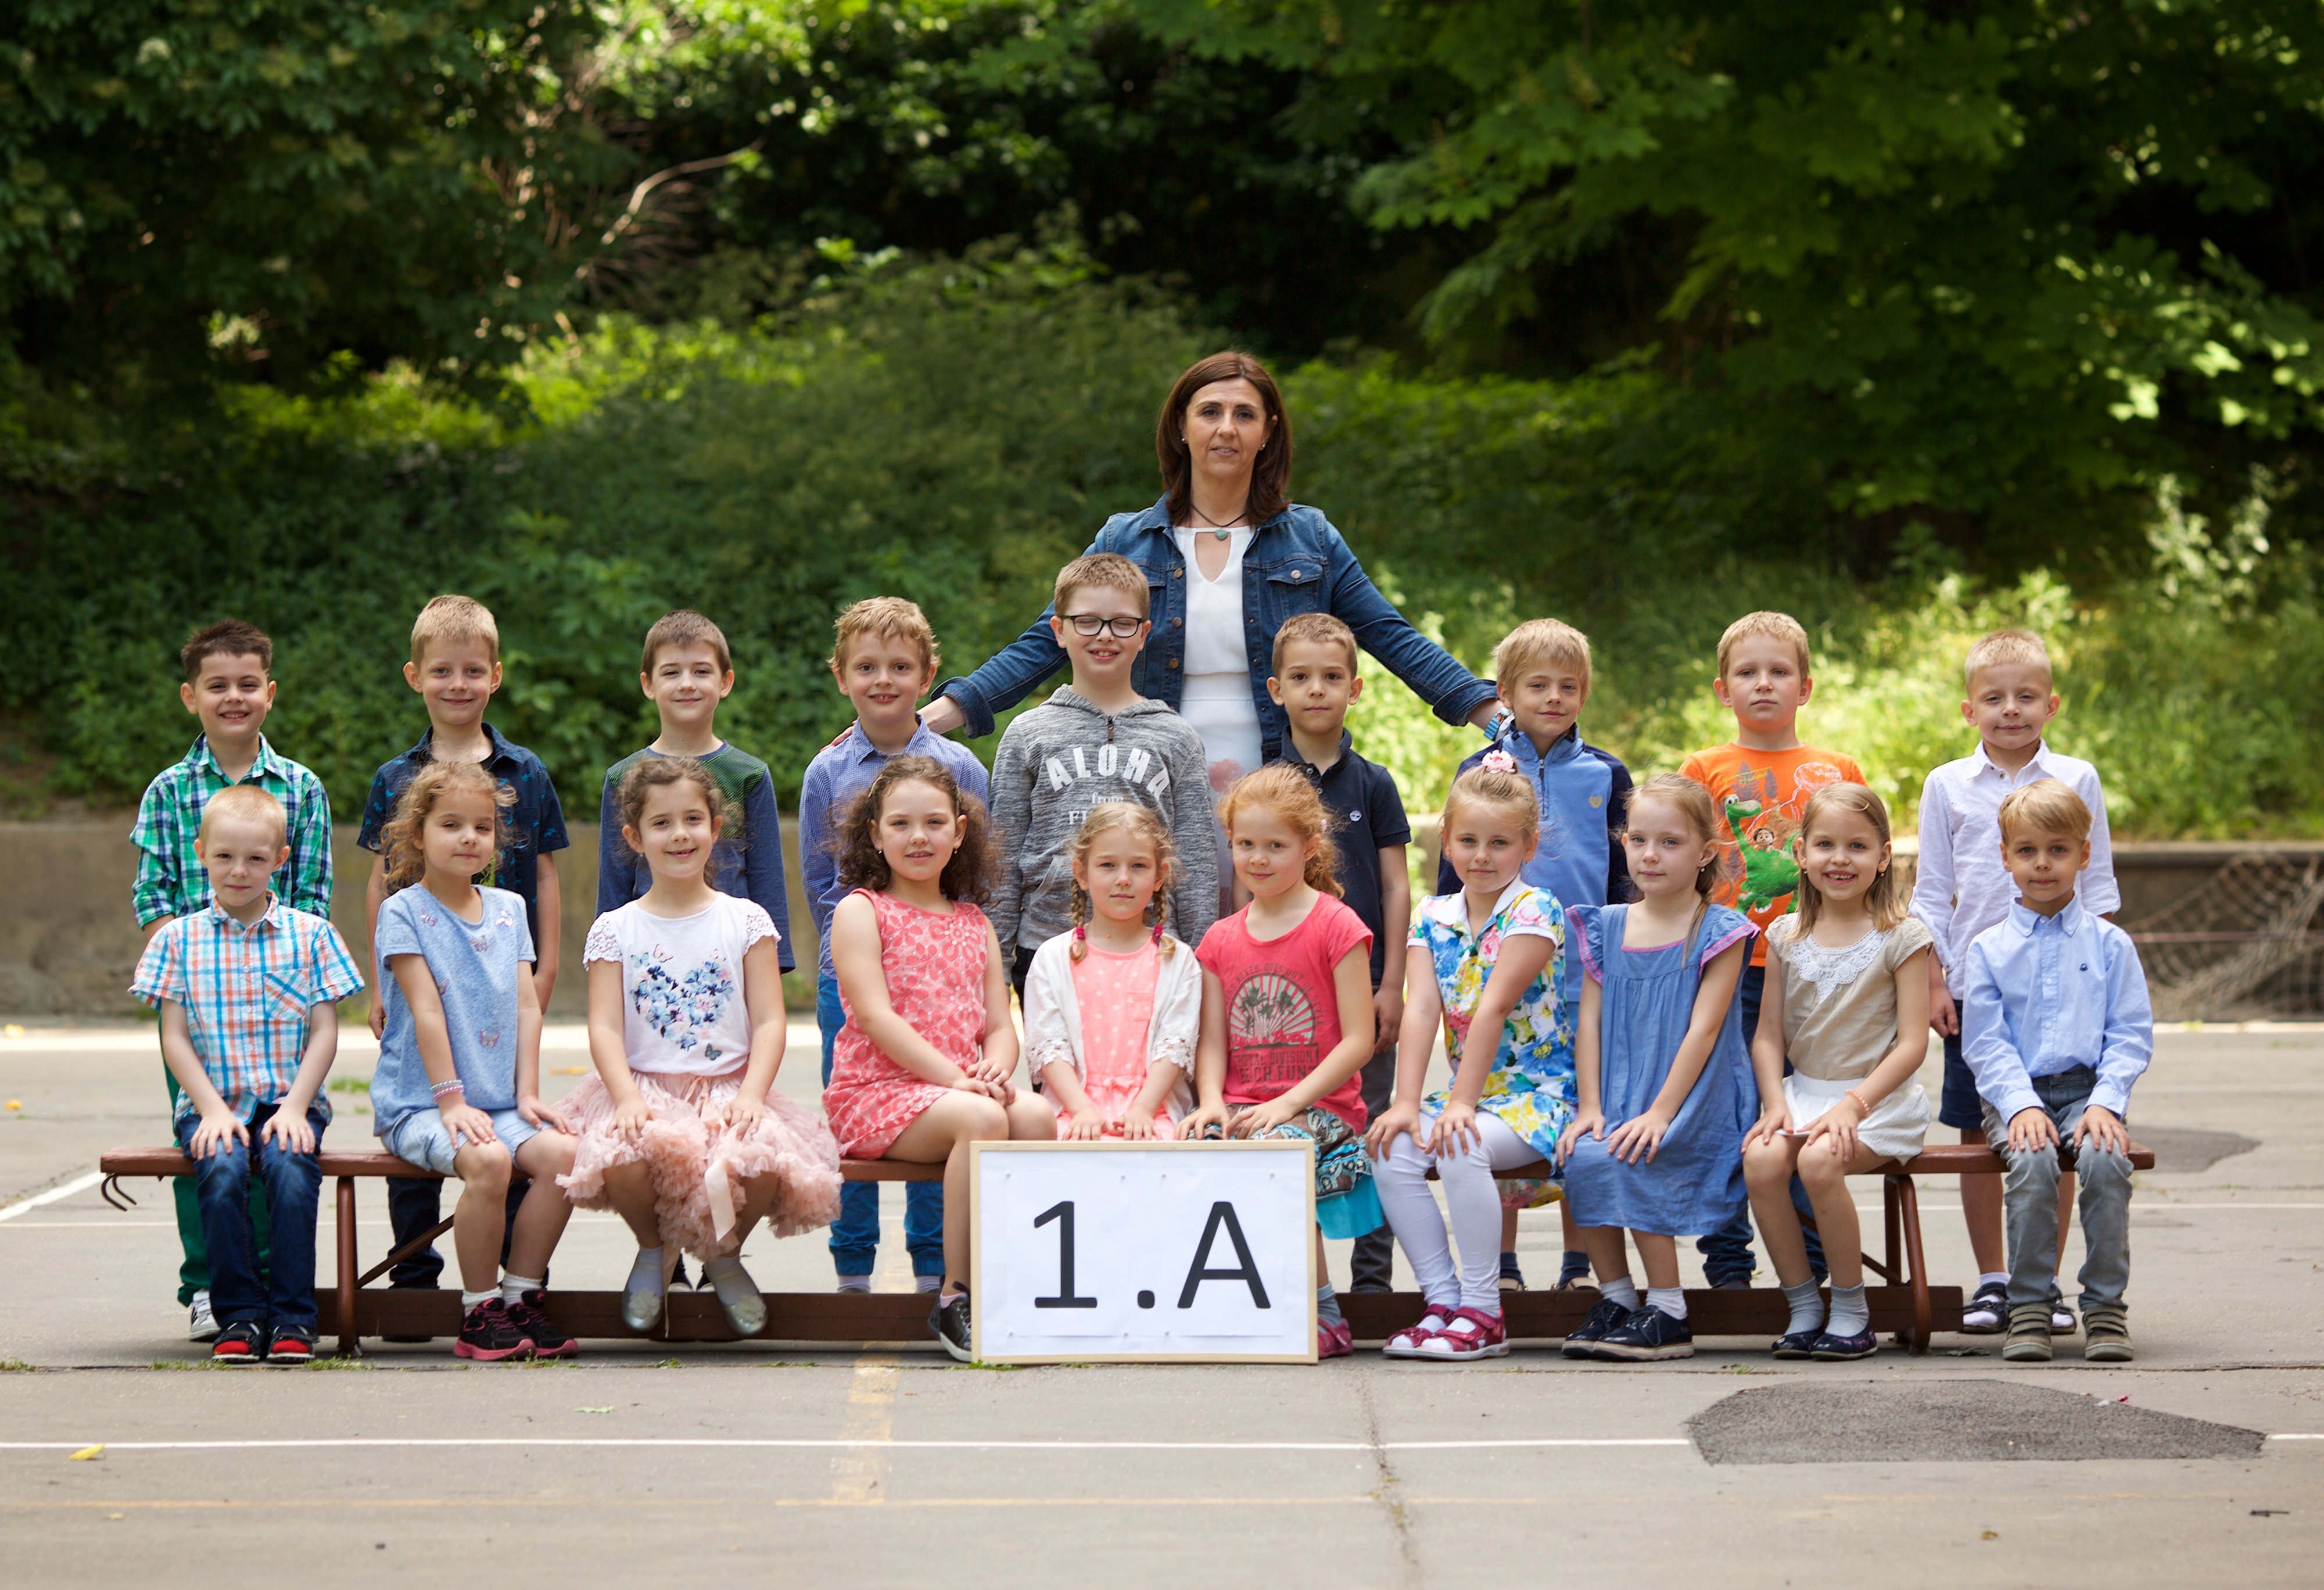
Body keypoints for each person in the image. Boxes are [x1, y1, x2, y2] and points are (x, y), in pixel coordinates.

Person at [918, 352, 1500, 882]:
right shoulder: (1127, 539)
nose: (1226, 428)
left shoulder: (1311, 539)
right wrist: (937, 716)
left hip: (1277, 772)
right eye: (1210, 412)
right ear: (1182, 425)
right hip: (1153, 772)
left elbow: (1389, 636)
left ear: (1268, 433)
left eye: (1245, 415)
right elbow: (1046, 641)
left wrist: (1493, 716)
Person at [561, 758, 842, 1337]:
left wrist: (753, 1093)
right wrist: (624, 1097)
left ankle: (723, 1257)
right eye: (661, 823)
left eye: (693, 819)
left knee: (760, 1159)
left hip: (728, 1088)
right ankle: (653, 1250)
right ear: (634, 837)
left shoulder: (746, 920)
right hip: (644, 1085)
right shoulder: (616, 928)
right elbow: (605, 1028)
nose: (679, 834)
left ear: (715, 829)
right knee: (625, 1153)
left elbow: (769, 1020)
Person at [358, 595, 569, 1301]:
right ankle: (415, 1277)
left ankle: (517, 1274)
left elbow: (544, 874)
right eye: (442, 670)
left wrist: (545, 970)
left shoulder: (525, 771)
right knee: (437, 1123)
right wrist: (380, 984)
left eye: (473, 670)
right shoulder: (394, 777)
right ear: (415, 676)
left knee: (507, 1120)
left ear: (496, 677)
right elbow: (380, 882)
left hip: (501, 965)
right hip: (422, 967)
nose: (458, 684)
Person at [131, 619, 335, 1344]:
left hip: (281, 992)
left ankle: (275, 1287)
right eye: (217, 685)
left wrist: (279, 968)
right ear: (191, 696)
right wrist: (188, 970)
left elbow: (313, 895)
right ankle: (206, 1287)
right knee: (206, 1142)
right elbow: (152, 895)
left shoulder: (301, 788)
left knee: (279, 1144)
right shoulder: (169, 790)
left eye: (248, 684)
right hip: (199, 997)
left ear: (269, 693)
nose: (234, 697)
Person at [1912, 628, 2119, 1336]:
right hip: (1975, 992)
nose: (2010, 710)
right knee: (1979, 1134)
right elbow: (1930, 894)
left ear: (2051, 705)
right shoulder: (1946, 785)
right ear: (1968, 709)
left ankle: (2044, 1284)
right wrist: (1935, 980)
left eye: (2026, 696)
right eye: (1994, 698)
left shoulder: (2076, 779)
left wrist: (2096, 988)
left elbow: (2098, 890)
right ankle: (1994, 1281)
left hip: (2060, 995)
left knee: (2055, 1138)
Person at [822, 757, 1057, 1361]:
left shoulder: (975, 924)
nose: (919, 837)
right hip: (876, 1094)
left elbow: (1000, 1024)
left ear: (959, 832)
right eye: (900, 824)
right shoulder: (861, 911)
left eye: (934, 823)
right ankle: (957, 1296)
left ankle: (1015, 1280)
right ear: (875, 834)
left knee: (1035, 1116)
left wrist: (994, 1068)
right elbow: (876, 1017)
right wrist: (958, 1081)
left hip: (955, 1093)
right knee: (982, 1119)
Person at [131, 786, 363, 1363]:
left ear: (280, 860)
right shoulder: (177, 940)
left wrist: (297, 1107)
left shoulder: (311, 935)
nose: (239, 871)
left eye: (256, 858)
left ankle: (293, 1319)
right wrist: (210, 1110)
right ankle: (236, 1315)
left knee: (290, 1170)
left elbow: (325, 1032)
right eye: (225, 856)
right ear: (201, 854)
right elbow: (174, 1037)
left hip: (290, 1100)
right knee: (222, 1168)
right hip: (213, 1104)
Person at [799, 597, 989, 1295]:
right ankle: (852, 1273)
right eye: (867, 667)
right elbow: (821, 882)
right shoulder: (827, 770)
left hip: (943, 976)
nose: (884, 680)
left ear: (928, 675)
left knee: (944, 1110)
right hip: (858, 979)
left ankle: (934, 1269)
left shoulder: (961, 767)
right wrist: (867, 955)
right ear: (841, 676)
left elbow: (973, 876)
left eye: (901, 667)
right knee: (853, 1125)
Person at [1437, 617, 1631, 1293]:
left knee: (1579, 1115)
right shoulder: (1479, 771)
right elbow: (1453, 877)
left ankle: (1579, 1264)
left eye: (1568, 687)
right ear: (1505, 693)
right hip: (1494, 978)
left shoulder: (1607, 773)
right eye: (1538, 685)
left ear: (1585, 693)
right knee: (1493, 1108)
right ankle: (1505, 1265)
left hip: (1581, 980)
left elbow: (1623, 879)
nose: (1553, 698)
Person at [370, 761, 581, 1362]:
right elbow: (427, 1011)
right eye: (451, 825)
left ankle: (520, 1297)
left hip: (497, 1103)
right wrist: (452, 1101)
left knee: (566, 1155)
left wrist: (528, 1094)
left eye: (483, 827)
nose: (469, 838)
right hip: (422, 1104)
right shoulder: (403, 911)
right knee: (487, 1162)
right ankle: (479, 1310)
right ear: (418, 835)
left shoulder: (510, 908)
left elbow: (527, 1006)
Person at [1679, 611, 1862, 1288]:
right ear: (1722, 690)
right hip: (1727, 972)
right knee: (1727, 1114)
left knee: (1804, 1112)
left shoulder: (1837, 770)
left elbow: (1865, 866)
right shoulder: (1703, 768)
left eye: (1779, 672)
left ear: (1804, 687)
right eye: (1747, 673)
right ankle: (1727, 1264)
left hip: (1817, 974)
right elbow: (1680, 866)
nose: (1763, 683)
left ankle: (1811, 1263)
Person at [1368, 765, 1572, 1360]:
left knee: (1460, 1143)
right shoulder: (1432, 915)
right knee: (1391, 1148)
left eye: (1499, 842)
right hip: (1474, 1097)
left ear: (1528, 846)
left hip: (1538, 1093)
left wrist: (1459, 1103)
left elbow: (1494, 1008)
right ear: (1446, 841)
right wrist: (1406, 1104)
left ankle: (1484, 1312)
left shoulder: (1535, 909)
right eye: (1468, 841)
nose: (1481, 856)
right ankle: (1442, 1303)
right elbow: (1421, 1009)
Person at [1180, 764, 1380, 1360]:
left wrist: (1289, 1103)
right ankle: (1216, 1303)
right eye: (1245, 844)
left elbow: (1359, 1040)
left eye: (1275, 846)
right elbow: (1212, 1042)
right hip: (1243, 1104)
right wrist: (1210, 1102)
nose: (1258, 859)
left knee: (1276, 1149)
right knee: (1186, 1146)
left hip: (1320, 1106)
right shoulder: (1219, 939)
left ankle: (1322, 1312)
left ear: (1310, 846)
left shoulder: (1336, 925)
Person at [1558, 775, 1756, 1363]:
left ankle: (1669, 1311)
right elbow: (1589, 1022)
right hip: (1617, 1092)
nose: (1650, 854)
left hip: (1692, 1099)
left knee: (1633, 1152)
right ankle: (1618, 1299)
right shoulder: (1607, 925)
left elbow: (1704, 1031)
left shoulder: (1718, 931)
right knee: (1584, 1154)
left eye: (1670, 842)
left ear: (1705, 852)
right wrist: (1590, 1107)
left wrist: (1661, 1115)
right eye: (1639, 839)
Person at [1741, 785, 1933, 1361]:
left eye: (1857, 846)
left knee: (1820, 1160)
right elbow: (1768, 1035)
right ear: (1800, 854)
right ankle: (1803, 1303)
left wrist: (1854, 1105)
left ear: (1883, 856)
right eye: (1825, 845)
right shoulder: (1785, 935)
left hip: (1877, 1101)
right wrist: (1775, 1104)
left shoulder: (1902, 936)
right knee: (1762, 1160)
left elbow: (1913, 1044)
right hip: (1802, 1095)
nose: (1840, 859)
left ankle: (1852, 1310)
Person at [1964, 780, 2150, 1363]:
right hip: (2014, 1095)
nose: (2042, 864)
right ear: (2005, 858)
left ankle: (2105, 1310)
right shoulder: (1987, 949)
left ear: (2083, 855)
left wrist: (2106, 1102)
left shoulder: (2111, 945)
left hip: (2087, 1093)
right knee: (2032, 1162)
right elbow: (1985, 1043)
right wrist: (2019, 1104)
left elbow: (2129, 1033)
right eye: (2027, 851)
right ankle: (2028, 1308)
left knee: (2105, 1159)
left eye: (2058, 850)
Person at [987, 553, 1218, 991]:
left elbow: (1196, 865)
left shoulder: (1177, 737)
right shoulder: (1028, 734)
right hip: (1047, 948)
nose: (1105, 635)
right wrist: (994, 969)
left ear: (1144, 634)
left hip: (1155, 951)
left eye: (1122, 623)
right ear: (1059, 630)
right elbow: (1002, 860)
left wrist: (1202, 970)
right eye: (1088, 621)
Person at [1267, 613, 1412, 1293]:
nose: (1316, 689)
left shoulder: (1374, 784)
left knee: (1370, 1124)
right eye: (1300, 677)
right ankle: (1300, 1282)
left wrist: (1392, 984)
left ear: (1355, 689)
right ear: (1276, 690)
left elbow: (1396, 886)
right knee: (1295, 1124)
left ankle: (1373, 1283)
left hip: (1365, 983)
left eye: (1331, 677)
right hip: (1289, 991)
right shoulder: (1268, 784)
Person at [596, 609, 795, 967]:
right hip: (649, 962)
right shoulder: (622, 777)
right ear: (648, 684)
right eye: (671, 672)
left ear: (726, 681)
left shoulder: (749, 775)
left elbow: (768, 883)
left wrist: (773, 965)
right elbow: (613, 887)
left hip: (733, 961)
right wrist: (609, 964)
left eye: (701, 671)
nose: (687, 683)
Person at [1020, 803, 1201, 1138]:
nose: (1123, 879)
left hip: (1155, 1112)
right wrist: (1082, 1110)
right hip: (1071, 1110)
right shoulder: (1052, 958)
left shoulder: (1178, 961)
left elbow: (1174, 1045)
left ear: (1159, 876)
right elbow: (1048, 1044)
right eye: (1107, 865)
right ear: (1081, 873)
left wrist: (1144, 1109)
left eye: (1138, 866)